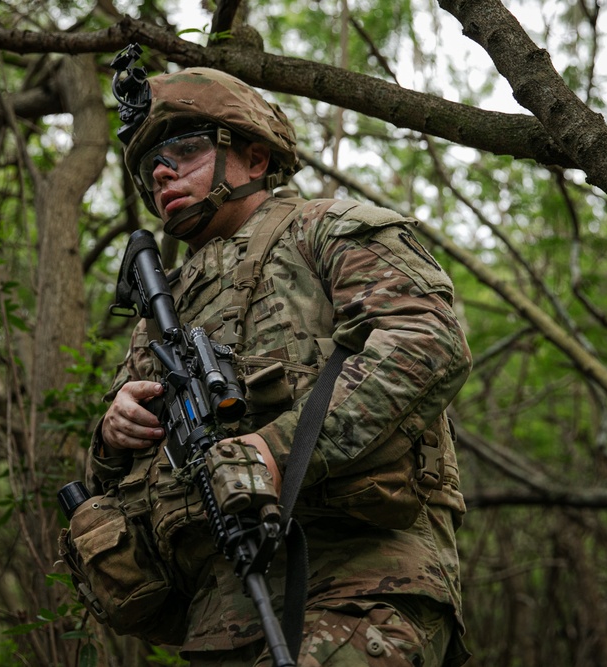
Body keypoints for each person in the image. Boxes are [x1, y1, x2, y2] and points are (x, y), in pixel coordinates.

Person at [81, 65, 472, 666]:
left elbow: (428, 344)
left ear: (255, 158)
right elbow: (123, 482)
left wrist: (274, 451)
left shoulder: (327, 232)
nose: (161, 173)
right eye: (148, 166)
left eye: (184, 149)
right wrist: (113, 435)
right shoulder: (162, 315)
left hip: (360, 586)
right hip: (217, 620)